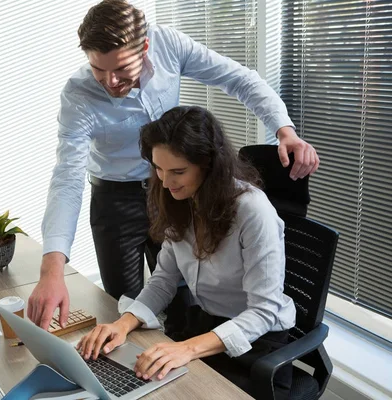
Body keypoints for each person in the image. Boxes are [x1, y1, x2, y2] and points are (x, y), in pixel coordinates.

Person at [28, 0, 317, 330]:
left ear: (145, 47)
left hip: (171, 188)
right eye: (98, 70)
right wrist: (52, 271)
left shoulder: (170, 45)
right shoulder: (78, 95)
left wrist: (284, 130)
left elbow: (240, 79)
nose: (109, 81)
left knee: (184, 296)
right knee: (125, 304)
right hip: (115, 199)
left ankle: (185, 366)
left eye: (121, 68)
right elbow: (67, 176)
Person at [76, 105, 296, 399]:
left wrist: (187, 348)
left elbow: (263, 311)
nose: (166, 183)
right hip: (207, 326)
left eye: (178, 171)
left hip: (258, 346)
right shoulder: (182, 200)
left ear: (209, 165)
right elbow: (164, 280)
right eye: (158, 169)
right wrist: (122, 324)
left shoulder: (252, 211)